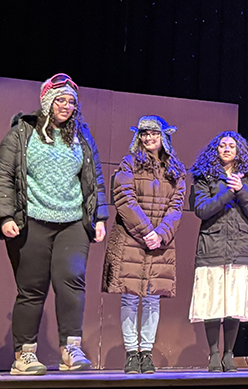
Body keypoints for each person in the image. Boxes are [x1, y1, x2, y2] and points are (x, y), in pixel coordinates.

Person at [0, 73, 108, 375]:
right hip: (32, 220)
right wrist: (5, 216)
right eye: (60, 99)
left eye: (71, 101)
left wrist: (99, 217)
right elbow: (4, 175)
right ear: (47, 101)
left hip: (72, 222)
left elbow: (95, 178)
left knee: (72, 282)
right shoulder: (23, 132)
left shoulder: (82, 136)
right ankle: (25, 354)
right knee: (32, 289)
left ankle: (70, 349)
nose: (66, 106)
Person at [102, 116, 186, 374]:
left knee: (151, 298)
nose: (149, 138)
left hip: (160, 242)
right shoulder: (129, 163)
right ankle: (131, 353)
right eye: (144, 134)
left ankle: (146, 353)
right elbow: (124, 199)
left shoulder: (175, 168)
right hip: (132, 239)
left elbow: (177, 205)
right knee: (129, 297)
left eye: (154, 134)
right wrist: (147, 232)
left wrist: (161, 234)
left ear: (164, 137)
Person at [188, 131, 248, 372]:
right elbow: (201, 209)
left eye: (231, 146)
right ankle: (213, 353)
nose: (226, 149)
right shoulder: (204, 176)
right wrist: (227, 192)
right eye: (222, 145)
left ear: (239, 150)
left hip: (240, 247)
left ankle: (229, 354)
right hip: (212, 246)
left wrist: (241, 189)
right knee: (212, 302)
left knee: (233, 302)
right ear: (216, 150)